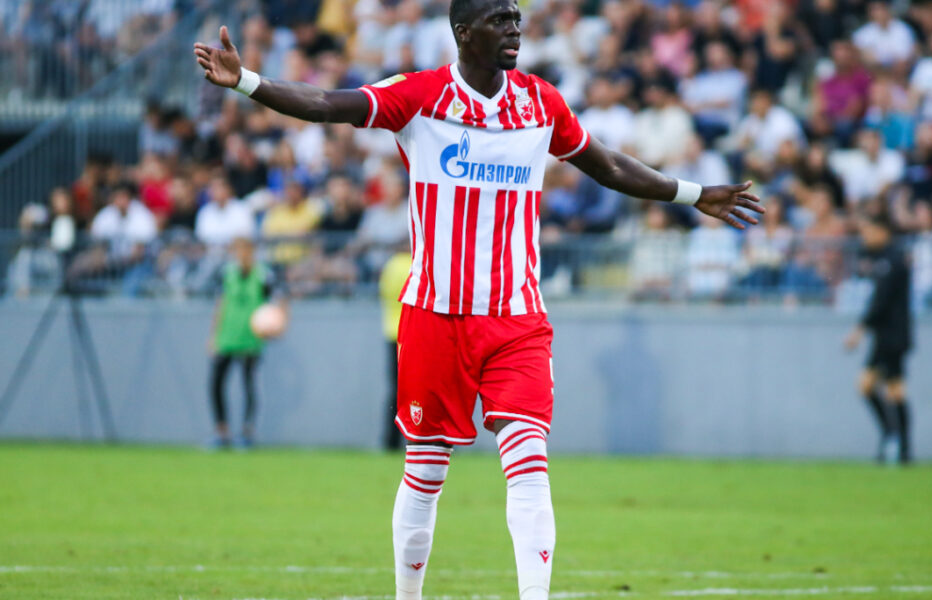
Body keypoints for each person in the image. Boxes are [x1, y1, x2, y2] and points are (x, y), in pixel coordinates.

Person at [194, 4, 763, 596]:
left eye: (516, 17)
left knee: (529, 465)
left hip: (516, 317)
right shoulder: (419, 95)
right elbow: (325, 104)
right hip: (434, 316)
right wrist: (248, 81)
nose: (515, 28)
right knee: (425, 473)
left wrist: (693, 194)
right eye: (500, 19)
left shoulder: (541, 102)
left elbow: (608, 165)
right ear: (465, 33)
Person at [844, 214, 913, 465]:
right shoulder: (886, 258)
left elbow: (881, 301)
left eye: (869, 231)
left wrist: (859, 330)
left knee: (890, 390)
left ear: (883, 231)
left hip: (892, 337)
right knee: (880, 388)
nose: (865, 237)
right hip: (887, 336)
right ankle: (896, 443)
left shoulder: (892, 261)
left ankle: (897, 443)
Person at [206, 237, 282, 449]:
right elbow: (221, 304)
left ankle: (247, 432)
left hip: (250, 338)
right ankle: (221, 431)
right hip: (227, 337)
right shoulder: (227, 274)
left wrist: (278, 324)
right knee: (216, 384)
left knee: (249, 385)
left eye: (245, 250)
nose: (242, 255)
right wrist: (213, 336)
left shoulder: (263, 275)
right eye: (237, 251)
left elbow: (279, 300)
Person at [379, 248, 413, 450]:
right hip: (414, 334)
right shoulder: (416, 264)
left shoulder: (390, 265)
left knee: (397, 391)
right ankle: (429, 437)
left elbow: (383, 293)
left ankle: (391, 440)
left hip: (393, 332)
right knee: (425, 391)